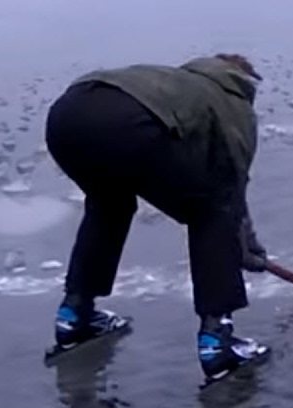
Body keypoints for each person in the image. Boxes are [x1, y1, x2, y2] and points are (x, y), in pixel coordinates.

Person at [43, 53, 271, 383]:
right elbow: (231, 185)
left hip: (67, 115)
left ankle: (75, 315)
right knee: (211, 210)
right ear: (244, 81)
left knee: (109, 203)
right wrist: (245, 248)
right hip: (128, 123)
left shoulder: (174, 81)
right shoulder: (230, 100)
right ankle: (217, 341)